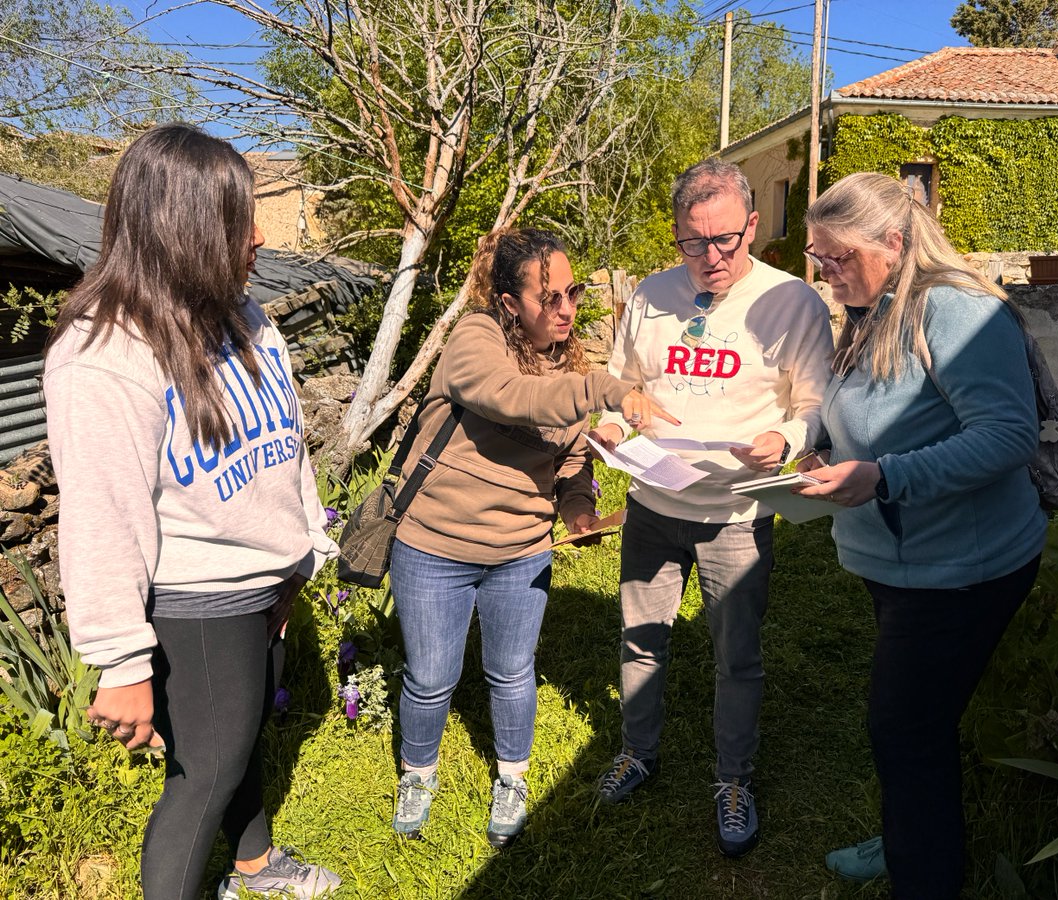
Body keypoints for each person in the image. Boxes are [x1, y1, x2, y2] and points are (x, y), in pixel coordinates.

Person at [44, 124, 342, 899]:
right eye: (240, 219)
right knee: (204, 775)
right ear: (184, 227)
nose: (259, 236)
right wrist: (121, 663)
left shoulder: (245, 318)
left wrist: (303, 553)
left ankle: (255, 867)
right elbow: (101, 518)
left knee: (239, 744)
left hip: (265, 582)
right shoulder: (105, 354)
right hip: (196, 603)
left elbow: (287, 444)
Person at [796, 172, 1047, 898]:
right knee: (916, 726)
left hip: (963, 570)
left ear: (895, 242)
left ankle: (923, 873)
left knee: (904, 731)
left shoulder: (958, 310)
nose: (825, 272)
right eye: (818, 257)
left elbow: (1008, 436)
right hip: (902, 563)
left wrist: (884, 477)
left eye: (838, 256)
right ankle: (909, 830)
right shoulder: (873, 306)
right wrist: (817, 449)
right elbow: (875, 413)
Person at [388, 227, 677, 848]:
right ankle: (418, 772)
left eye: (572, 293)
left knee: (513, 672)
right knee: (430, 677)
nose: (566, 309)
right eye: (549, 298)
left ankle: (512, 779)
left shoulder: (566, 367)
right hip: (434, 544)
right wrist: (606, 389)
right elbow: (509, 396)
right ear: (508, 302)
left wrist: (578, 509)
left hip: (521, 551)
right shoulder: (476, 338)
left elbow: (571, 461)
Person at [591, 158, 833, 857]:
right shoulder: (649, 295)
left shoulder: (792, 302)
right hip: (653, 501)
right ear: (677, 234)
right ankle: (639, 752)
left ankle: (733, 780)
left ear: (752, 226)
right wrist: (614, 427)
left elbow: (815, 405)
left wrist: (785, 440)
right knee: (641, 639)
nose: (711, 257)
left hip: (736, 512)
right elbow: (623, 385)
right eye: (693, 242)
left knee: (737, 656)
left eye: (725, 239)